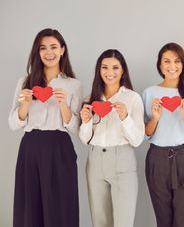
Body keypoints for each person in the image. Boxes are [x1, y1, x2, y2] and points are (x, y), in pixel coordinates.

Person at [8, 28, 82, 227]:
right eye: (43, 48)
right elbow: (13, 123)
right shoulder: (25, 82)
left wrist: (64, 106)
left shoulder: (74, 85)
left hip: (60, 147)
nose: (49, 52)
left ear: (62, 50)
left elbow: (77, 129)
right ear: (37, 52)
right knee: (30, 207)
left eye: (54, 47)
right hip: (30, 147)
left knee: (61, 206)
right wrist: (25, 105)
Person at [142, 42, 184, 227]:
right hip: (157, 159)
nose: (172, 66)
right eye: (167, 61)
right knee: (164, 221)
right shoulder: (149, 93)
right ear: (160, 65)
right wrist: (155, 118)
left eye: (177, 61)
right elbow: (145, 134)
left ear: (183, 64)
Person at [79, 49, 144, 227]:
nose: (110, 72)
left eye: (115, 67)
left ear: (123, 71)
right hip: (94, 161)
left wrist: (125, 117)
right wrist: (85, 122)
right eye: (105, 67)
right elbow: (85, 139)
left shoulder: (132, 99)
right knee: (100, 221)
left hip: (122, 161)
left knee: (124, 222)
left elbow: (137, 140)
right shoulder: (90, 99)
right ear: (99, 71)